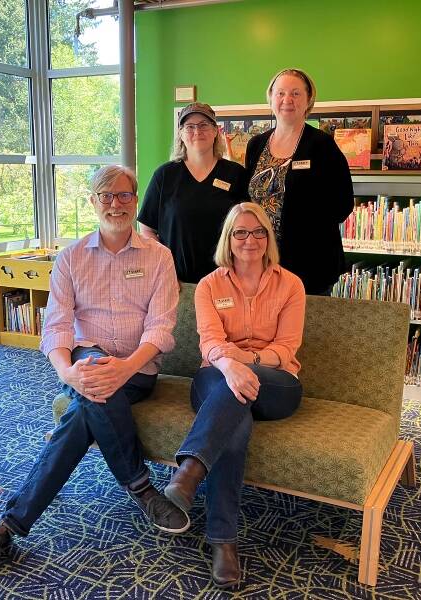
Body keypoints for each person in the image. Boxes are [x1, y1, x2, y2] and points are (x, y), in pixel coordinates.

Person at [0, 165, 189, 570]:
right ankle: (142, 489)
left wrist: (124, 368)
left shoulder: (159, 257)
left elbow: (161, 329)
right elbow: (55, 327)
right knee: (91, 375)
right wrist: (66, 373)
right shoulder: (72, 258)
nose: (115, 204)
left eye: (124, 195)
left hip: (137, 370)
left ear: (136, 201)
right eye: (105, 196)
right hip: (85, 364)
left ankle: (6, 530)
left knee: (79, 414)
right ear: (92, 202)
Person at [164, 202, 305, 588]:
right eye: (240, 232)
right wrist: (229, 365)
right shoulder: (210, 286)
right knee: (234, 425)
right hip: (216, 377)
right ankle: (223, 541)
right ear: (229, 239)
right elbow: (210, 343)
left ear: (268, 238)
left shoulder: (290, 284)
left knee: (236, 392)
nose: (250, 240)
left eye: (258, 232)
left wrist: (243, 359)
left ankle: (189, 471)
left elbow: (286, 348)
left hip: (276, 383)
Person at [244, 68, 354, 295]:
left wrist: (305, 228)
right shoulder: (256, 145)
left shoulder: (322, 145)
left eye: (295, 94)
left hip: (310, 263)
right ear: (271, 98)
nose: (287, 100)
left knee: (303, 329)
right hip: (261, 260)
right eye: (280, 93)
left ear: (308, 101)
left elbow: (343, 203)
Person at [139, 102, 247, 283]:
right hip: (176, 282)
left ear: (215, 131)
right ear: (181, 134)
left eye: (204, 125)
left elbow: (247, 228)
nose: (197, 131)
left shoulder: (235, 174)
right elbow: (147, 230)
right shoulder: (165, 175)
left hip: (226, 281)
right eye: (189, 126)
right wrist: (165, 268)